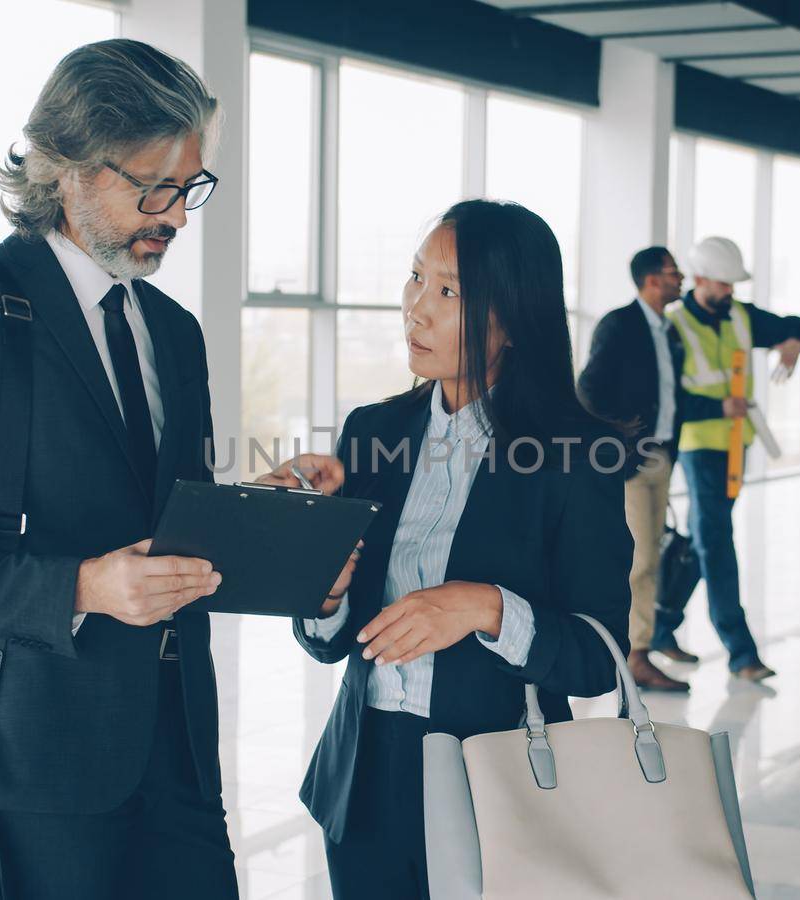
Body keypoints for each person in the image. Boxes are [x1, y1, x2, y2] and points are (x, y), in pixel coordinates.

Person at [0, 40, 237, 898]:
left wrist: (277, 521)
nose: (177, 216)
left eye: (189, 189)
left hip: (181, 751)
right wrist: (82, 586)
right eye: (153, 186)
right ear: (65, 167)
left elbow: (180, 523)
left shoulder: (175, 331)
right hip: (30, 767)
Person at [263, 200, 631, 900]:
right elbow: (329, 640)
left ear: (512, 318)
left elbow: (598, 656)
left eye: (449, 291)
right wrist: (324, 579)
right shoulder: (373, 431)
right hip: (365, 778)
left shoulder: (576, 457)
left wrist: (487, 608)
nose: (416, 309)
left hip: (494, 781)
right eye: (415, 278)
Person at [666, 236, 800, 683]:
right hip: (699, 445)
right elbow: (669, 396)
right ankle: (740, 651)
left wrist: (794, 343)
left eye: (733, 284)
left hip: (736, 445)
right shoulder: (675, 326)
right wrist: (716, 408)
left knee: (702, 538)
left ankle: (658, 627)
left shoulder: (740, 316)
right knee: (716, 541)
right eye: (723, 284)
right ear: (698, 280)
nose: (730, 292)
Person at [577, 246, 695, 692]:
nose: (680, 278)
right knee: (640, 558)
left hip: (662, 456)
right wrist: (614, 451)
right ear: (650, 279)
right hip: (628, 462)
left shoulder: (668, 331)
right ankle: (632, 655)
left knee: (649, 560)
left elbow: (668, 395)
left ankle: (636, 648)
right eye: (672, 272)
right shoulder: (619, 325)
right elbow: (589, 390)